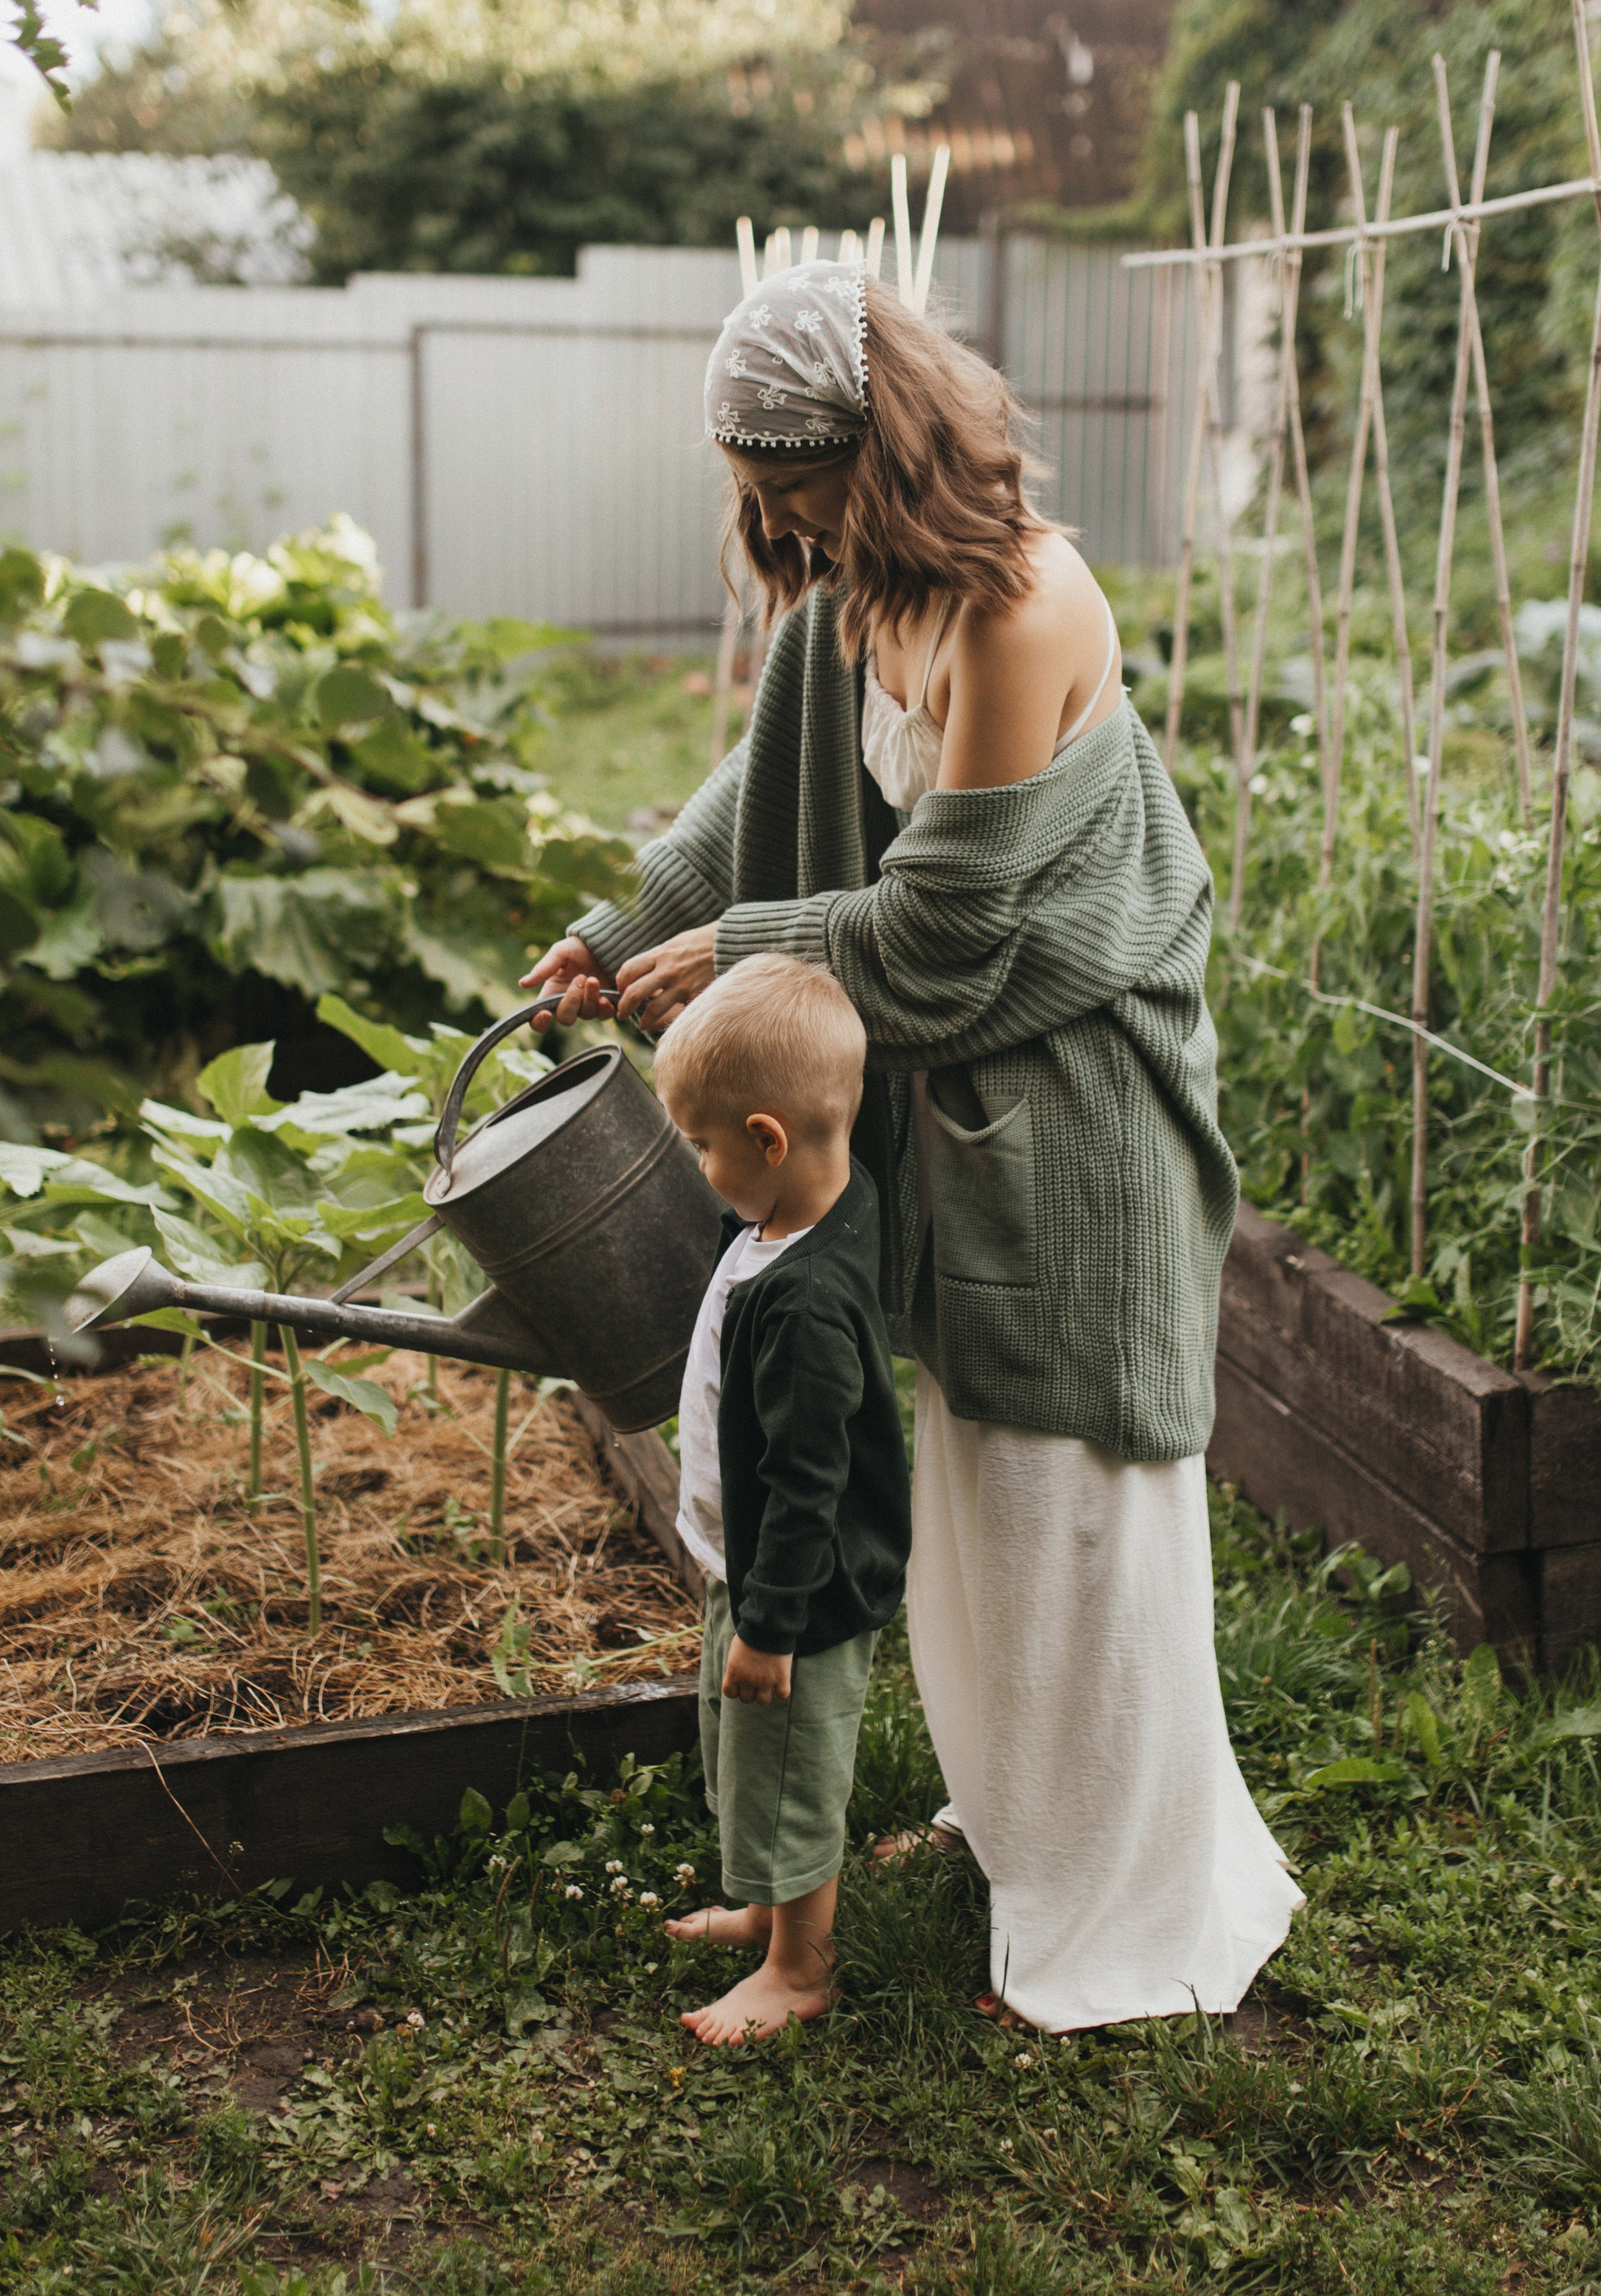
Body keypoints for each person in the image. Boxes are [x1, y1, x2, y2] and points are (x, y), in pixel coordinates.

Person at [523, 258, 1301, 2035]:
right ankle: (1014, 1820)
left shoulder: (1022, 610)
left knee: (1059, 1496)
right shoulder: (852, 599)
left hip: (1069, 1119)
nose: (777, 522)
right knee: (959, 1491)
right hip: (951, 1107)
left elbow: (943, 934)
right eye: (759, 493)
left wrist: (744, 949)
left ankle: (1129, 1892)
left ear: (886, 454)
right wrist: (625, 920)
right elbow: (747, 798)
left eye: (800, 487)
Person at [648, 951, 910, 2046]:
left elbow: (811, 1483)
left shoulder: (806, 1309)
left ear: (766, 1139)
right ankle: (765, 1908)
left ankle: (802, 1967)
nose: (696, 1164)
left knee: (795, 1769)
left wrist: (770, 1625)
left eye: (702, 1144)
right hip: (745, 1565)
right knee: (744, 1752)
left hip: (794, 1590)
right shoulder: (809, 1204)